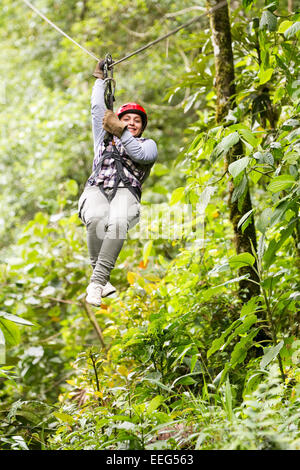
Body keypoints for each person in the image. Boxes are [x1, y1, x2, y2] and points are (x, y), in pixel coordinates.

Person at [78, 61, 158, 306]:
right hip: (98, 188)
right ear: (116, 120)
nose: (131, 123)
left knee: (118, 221)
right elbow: (97, 108)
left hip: (127, 192)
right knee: (95, 219)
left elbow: (141, 157)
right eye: (126, 119)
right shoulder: (103, 137)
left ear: (142, 127)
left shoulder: (147, 145)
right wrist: (100, 80)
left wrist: (121, 130)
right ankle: (101, 282)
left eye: (136, 121)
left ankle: (97, 282)